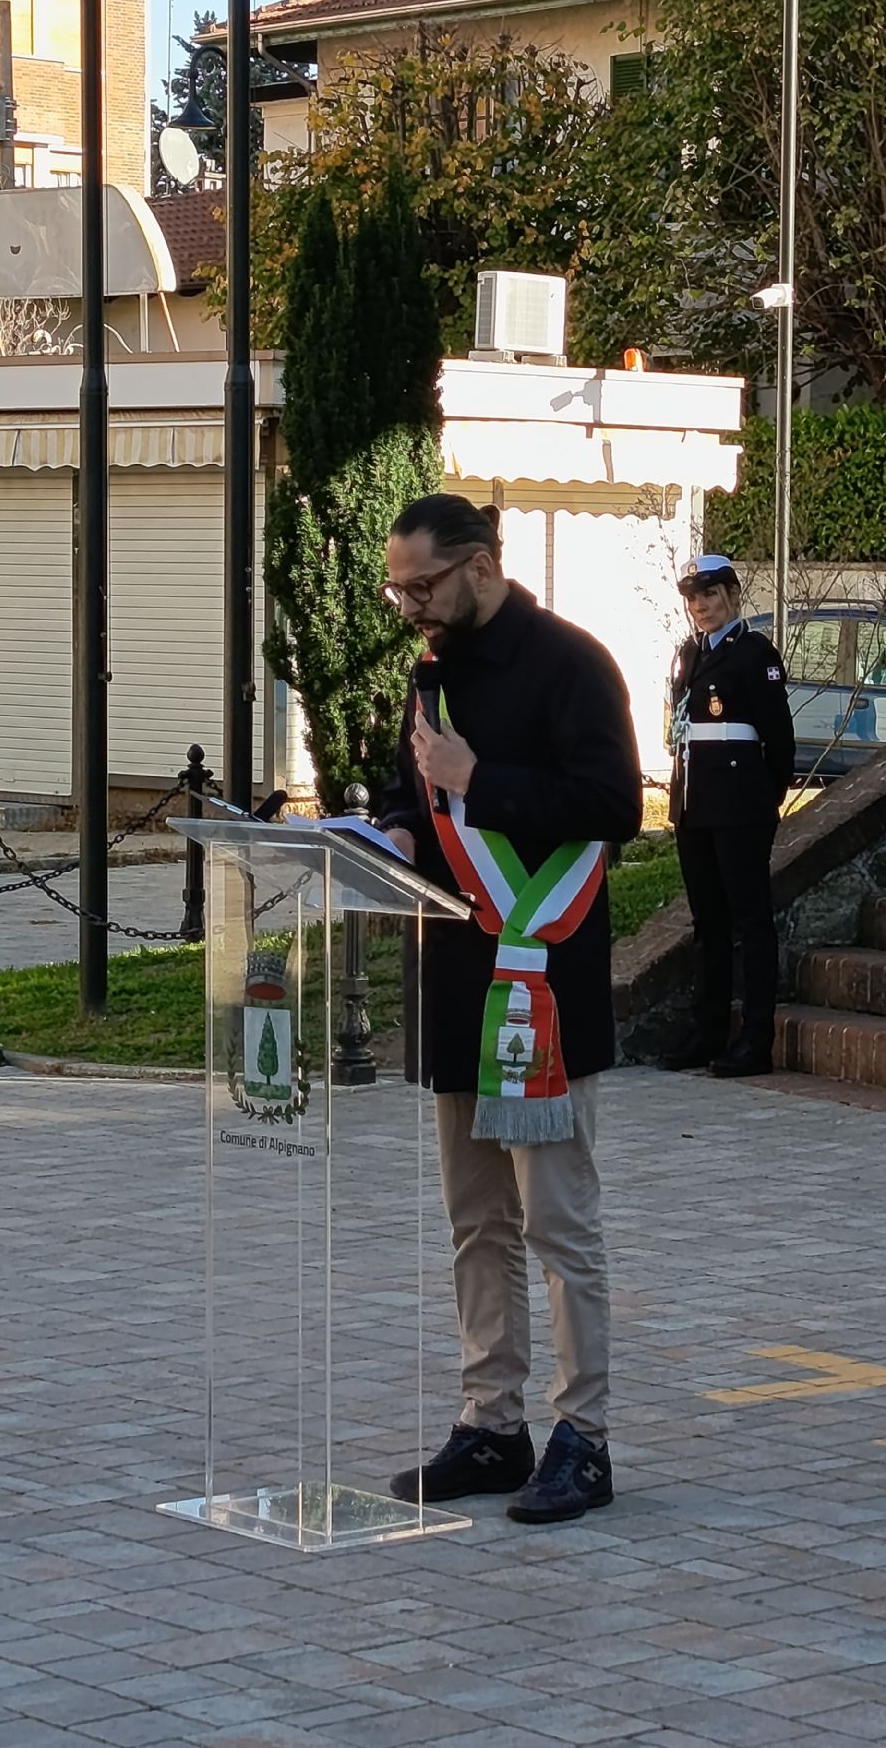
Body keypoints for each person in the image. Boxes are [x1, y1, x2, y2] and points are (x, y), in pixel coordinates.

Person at [377, 493, 642, 1525]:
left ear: (482, 566)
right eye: (399, 591)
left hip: (542, 987)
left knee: (559, 1224)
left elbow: (613, 804)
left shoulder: (572, 663)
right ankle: (492, 1425)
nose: (411, 606)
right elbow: (414, 793)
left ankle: (585, 1437)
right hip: (456, 978)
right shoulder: (431, 674)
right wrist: (398, 831)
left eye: (423, 586)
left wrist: (481, 778)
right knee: (475, 1222)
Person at [661, 554, 795, 1078]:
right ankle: (708, 1029)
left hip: (740, 807)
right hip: (694, 805)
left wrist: (766, 798)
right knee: (708, 923)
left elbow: (779, 740)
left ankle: (756, 1040)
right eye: (694, 597)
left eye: (710, 594)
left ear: (733, 596)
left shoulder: (754, 653)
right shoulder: (688, 654)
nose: (701, 605)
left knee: (750, 921)